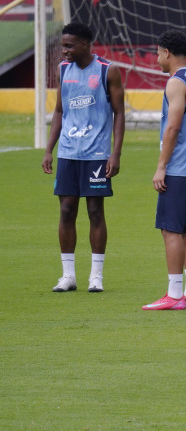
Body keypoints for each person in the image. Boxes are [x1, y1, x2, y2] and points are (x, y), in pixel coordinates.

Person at [42, 22, 125, 293]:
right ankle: (68, 276)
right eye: (63, 46)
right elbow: (59, 111)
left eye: (69, 46)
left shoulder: (107, 70)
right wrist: (49, 149)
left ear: (85, 44)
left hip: (97, 155)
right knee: (66, 210)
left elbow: (119, 113)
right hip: (68, 153)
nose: (64, 51)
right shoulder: (63, 70)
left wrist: (115, 153)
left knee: (95, 211)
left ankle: (96, 277)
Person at [143, 30, 186, 311]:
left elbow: (173, 127)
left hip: (179, 168)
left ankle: (174, 295)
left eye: (158, 53)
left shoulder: (176, 83)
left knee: (171, 232)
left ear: (166, 53)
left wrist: (161, 166)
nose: (157, 59)